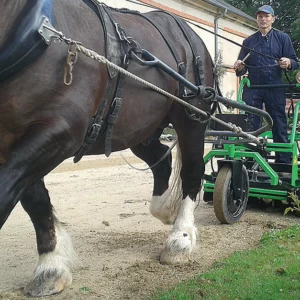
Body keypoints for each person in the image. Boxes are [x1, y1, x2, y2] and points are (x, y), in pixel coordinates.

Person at [234, 5, 298, 164]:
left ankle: (283, 163)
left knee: (278, 124)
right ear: (257, 19)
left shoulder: (283, 38)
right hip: (253, 88)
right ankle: (250, 162)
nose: (263, 19)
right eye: (260, 16)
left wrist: (288, 62)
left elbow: (294, 61)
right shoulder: (248, 41)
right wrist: (239, 67)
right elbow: (241, 69)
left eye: (266, 16)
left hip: (275, 87)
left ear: (273, 19)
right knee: (251, 125)